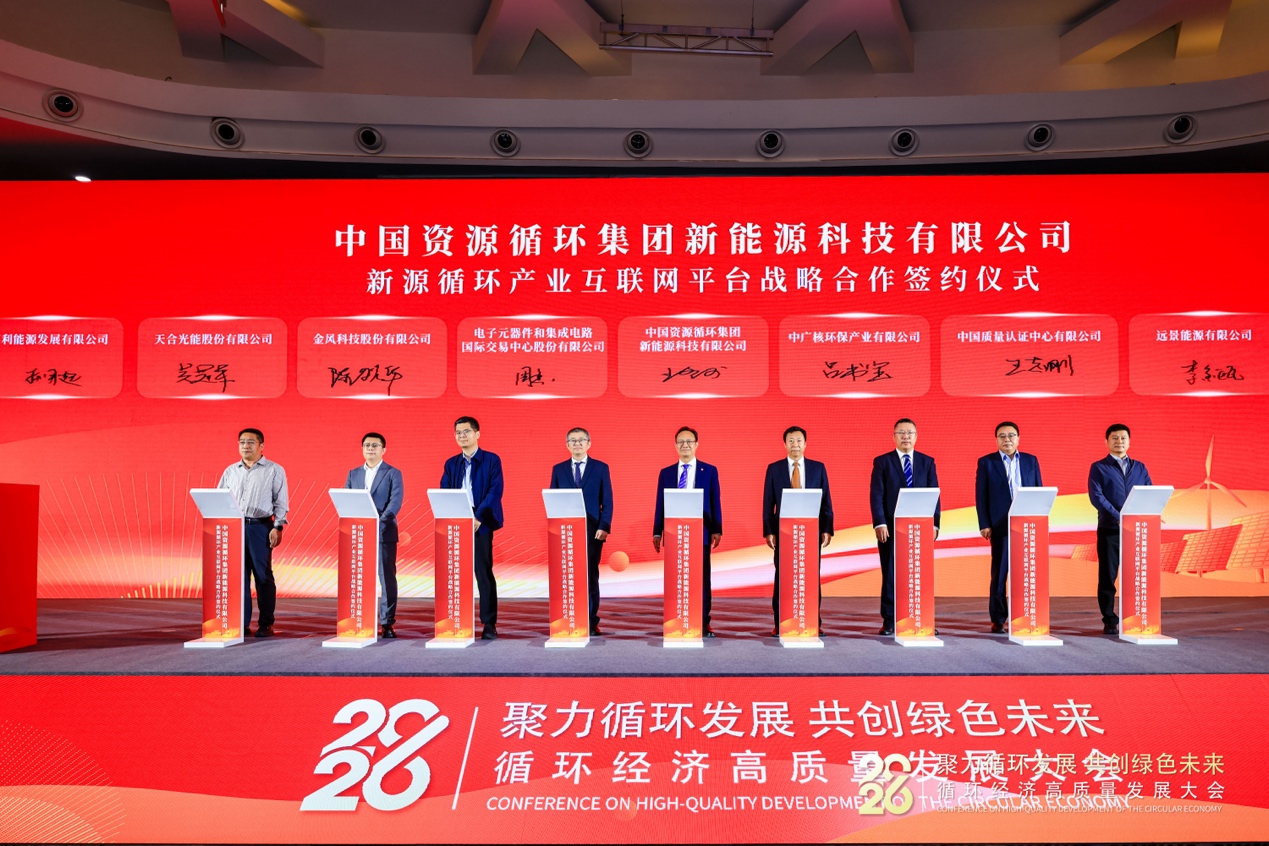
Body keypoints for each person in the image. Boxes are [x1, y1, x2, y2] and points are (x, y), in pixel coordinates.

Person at [869, 417, 940, 636]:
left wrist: (935, 524)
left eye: (910, 433)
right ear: (894, 437)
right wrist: (880, 522)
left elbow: (934, 494)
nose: (906, 436)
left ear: (916, 436)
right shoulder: (883, 462)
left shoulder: (927, 462)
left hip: (920, 528)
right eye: (901, 433)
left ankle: (922, 618)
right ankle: (890, 620)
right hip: (890, 528)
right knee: (891, 574)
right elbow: (876, 495)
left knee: (919, 574)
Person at [762, 426, 834, 636]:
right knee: (783, 577)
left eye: (799, 440)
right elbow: (768, 503)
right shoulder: (774, 469)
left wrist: (827, 528)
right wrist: (769, 531)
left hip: (810, 532)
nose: (795, 445)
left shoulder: (818, 468)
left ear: (805, 443)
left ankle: (813, 621)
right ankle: (781, 622)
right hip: (783, 532)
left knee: (810, 577)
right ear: (785, 444)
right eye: (791, 441)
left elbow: (826, 501)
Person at [218, 427, 288, 638]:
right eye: (242, 442)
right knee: (239, 577)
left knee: (263, 576)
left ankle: (266, 623)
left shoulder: (274, 470)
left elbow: (281, 501)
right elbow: (220, 498)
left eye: (250, 442)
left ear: (261, 445)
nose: (245, 446)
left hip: (261, 528)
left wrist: (278, 526)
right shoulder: (230, 471)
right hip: (235, 528)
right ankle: (241, 622)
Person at [652, 426, 722, 637]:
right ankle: (676, 619)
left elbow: (715, 500)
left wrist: (717, 529)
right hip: (674, 534)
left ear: (696, 444)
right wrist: (657, 532)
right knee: (677, 578)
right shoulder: (666, 473)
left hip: (701, 532)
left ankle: (703, 622)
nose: (685, 445)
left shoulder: (709, 470)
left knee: (702, 579)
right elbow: (660, 503)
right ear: (675, 446)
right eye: (681, 442)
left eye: (689, 441)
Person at [975, 421, 1043, 634]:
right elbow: (981, 496)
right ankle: (998, 619)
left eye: (1011, 435)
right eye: (1002, 436)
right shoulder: (987, 462)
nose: (1007, 439)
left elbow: (1039, 491)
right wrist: (984, 523)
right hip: (1000, 525)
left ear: (1018, 439)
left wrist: (1040, 520)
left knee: (1026, 573)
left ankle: (1025, 616)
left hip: (1028, 524)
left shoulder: (1031, 461)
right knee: (1000, 574)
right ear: (996, 440)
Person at [440, 416, 504, 640]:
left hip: (481, 522)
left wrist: (478, 517)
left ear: (477, 434)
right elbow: (444, 490)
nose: (462, 436)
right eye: (458, 432)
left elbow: (495, 491)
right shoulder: (451, 463)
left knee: (483, 572)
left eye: (466, 431)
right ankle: (457, 620)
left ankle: (489, 623)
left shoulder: (491, 460)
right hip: (456, 521)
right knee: (455, 572)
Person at [1088, 423, 1152, 635]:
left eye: (1123, 438)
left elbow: (1149, 492)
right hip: (1110, 529)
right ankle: (1109, 619)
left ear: (1129, 442)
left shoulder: (1139, 467)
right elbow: (1097, 497)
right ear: (1106, 442)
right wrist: (1119, 517)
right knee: (1108, 576)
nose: (1119, 442)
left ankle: (1135, 616)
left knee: (1136, 575)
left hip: (1136, 530)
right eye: (1114, 438)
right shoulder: (1099, 467)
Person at [549, 427, 614, 636]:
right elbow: (553, 500)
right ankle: (569, 617)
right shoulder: (558, 469)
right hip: (565, 531)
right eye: (573, 440)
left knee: (589, 574)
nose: (577, 443)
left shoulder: (600, 468)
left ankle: (591, 620)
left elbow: (607, 500)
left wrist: (604, 526)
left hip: (592, 530)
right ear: (567, 445)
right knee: (567, 574)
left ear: (589, 444)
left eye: (581, 440)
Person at [345, 432, 404, 639]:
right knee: (359, 578)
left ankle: (387, 622)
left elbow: (395, 502)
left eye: (375, 445)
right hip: (358, 534)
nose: (370, 448)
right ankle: (360, 619)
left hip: (383, 533)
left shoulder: (393, 473)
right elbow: (347, 499)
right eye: (367, 445)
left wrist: (378, 523)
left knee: (386, 578)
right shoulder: (353, 473)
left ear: (383, 449)